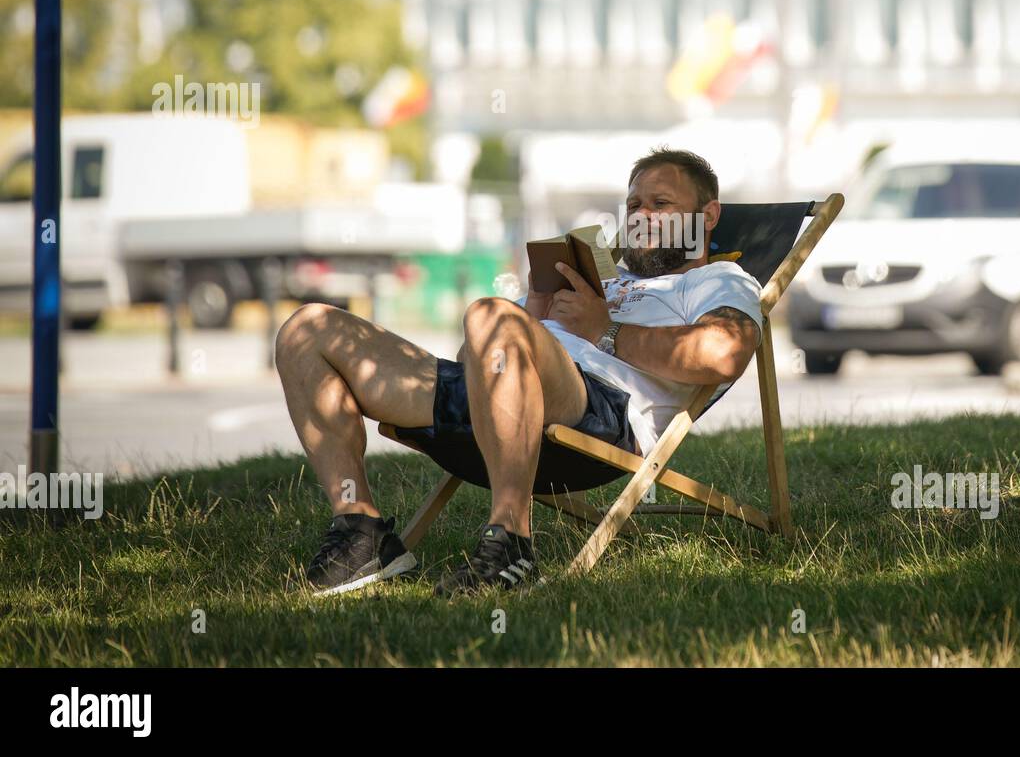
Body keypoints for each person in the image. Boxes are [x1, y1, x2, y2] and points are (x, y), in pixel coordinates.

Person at [275, 147, 763, 597]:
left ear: (708, 215)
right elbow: (474, 359)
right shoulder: (602, 279)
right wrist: (534, 310)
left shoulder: (718, 279)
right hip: (496, 402)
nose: (642, 216)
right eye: (634, 205)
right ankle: (362, 531)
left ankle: (511, 540)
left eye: (661, 203)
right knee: (308, 328)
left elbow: (724, 353)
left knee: (490, 314)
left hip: (599, 415)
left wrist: (603, 330)